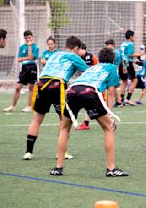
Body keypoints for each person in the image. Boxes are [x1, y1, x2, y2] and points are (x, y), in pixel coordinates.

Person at [50, 48, 128, 176]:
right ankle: (111, 169)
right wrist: (108, 114)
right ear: (113, 59)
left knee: (64, 128)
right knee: (109, 128)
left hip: (72, 91)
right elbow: (111, 93)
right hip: (90, 92)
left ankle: (58, 168)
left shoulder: (93, 67)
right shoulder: (112, 67)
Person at [22, 36, 89, 160]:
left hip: (42, 84)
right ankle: (61, 152)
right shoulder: (74, 56)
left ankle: (28, 152)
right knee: (64, 121)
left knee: (37, 119)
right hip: (57, 85)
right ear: (76, 48)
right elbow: (89, 72)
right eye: (80, 50)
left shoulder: (54, 55)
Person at [4, 30, 39, 113]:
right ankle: (12, 106)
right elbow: (18, 59)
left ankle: (29, 106)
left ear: (32, 37)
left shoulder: (35, 47)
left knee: (31, 88)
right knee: (18, 87)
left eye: (29, 37)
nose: (28, 39)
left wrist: (30, 47)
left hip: (32, 68)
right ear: (24, 38)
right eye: (26, 38)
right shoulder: (22, 47)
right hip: (24, 68)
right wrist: (26, 58)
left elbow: (31, 58)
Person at [75, 44, 98, 131]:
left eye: (79, 50)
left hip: (93, 83)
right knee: (88, 103)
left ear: (83, 49)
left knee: (96, 103)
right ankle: (86, 123)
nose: (77, 52)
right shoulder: (81, 58)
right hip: (88, 82)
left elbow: (93, 69)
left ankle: (109, 121)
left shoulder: (90, 57)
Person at [119, 30, 142, 106]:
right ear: (131, 36)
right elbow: (130, 55)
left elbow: (123, 55)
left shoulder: (122, 44)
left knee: (124, 82)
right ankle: (127, 99)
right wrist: (139, 54)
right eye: (134, 36)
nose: (135, 37)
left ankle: (121, 100)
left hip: (122, 63)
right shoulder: (130, 44)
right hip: (128, 63)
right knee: (135, 80)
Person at [105, 39, 123, 108]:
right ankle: (119, 101)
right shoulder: (112, 52)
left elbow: (112, 62)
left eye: (108, 45)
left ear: (113, 45)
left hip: (113, 71)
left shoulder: (114, 53)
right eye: (106, 45)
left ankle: (117, 101)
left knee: (111, 87)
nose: (107, 46)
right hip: (112, 71)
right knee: (112, 87)